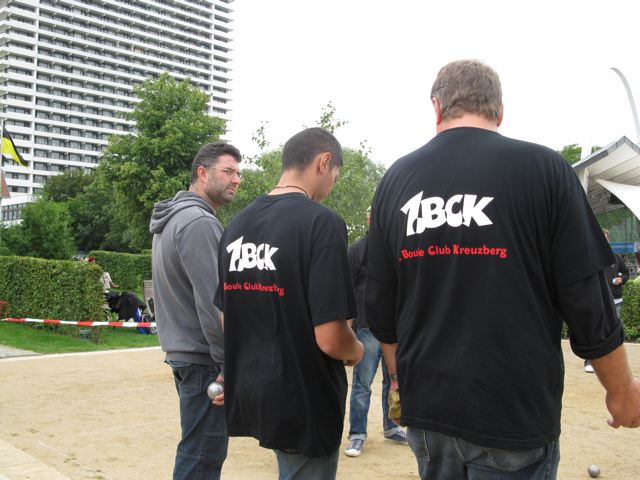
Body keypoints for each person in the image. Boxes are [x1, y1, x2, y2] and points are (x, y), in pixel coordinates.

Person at [365, 60, 640, 480]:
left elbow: (382, 309)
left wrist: (401, 383)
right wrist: (621, 391)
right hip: (512, 412)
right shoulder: (544, 169)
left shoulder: (395, 181)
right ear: (500, 111)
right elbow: (587, 296)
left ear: (436, 108)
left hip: (430, 411)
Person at [215, 127, 364, 480]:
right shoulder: (322, 223)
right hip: (304, 396)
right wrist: (356, 351)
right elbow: (331, 338)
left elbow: (226, 315)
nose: (331, 187)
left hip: (254, 389)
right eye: (335, 176)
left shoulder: (237, 225)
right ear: (324, 162)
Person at [150, 142, 242, 480]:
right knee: (202, 456)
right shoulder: (199, 223)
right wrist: (228, 365)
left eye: (238, 173)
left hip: (185, 353)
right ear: (202, 173)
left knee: (195, 450)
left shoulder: (174, 218)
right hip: (205, 360)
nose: (236, 179)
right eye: (228, 171)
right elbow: (213, 302)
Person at [344, 206, 407, 458]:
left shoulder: (397, 248)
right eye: (374, 216)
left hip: (394, 327)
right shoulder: (357, 250)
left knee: (393, 380)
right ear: (369, 220)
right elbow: (347, 288)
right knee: (362, 383)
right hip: (367, 327)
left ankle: (391, 427)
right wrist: (348, 326)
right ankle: (357, 434)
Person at [585, 229, 630, 372]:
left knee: (614, 331)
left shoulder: (616, 257)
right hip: (597, 299)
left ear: (609, 240)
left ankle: (614, 363)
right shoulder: (590, 258)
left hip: (616, 299)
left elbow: (626, 274)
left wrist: (621, 279)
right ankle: (589, 361)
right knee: (595, 329)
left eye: (605, 238)